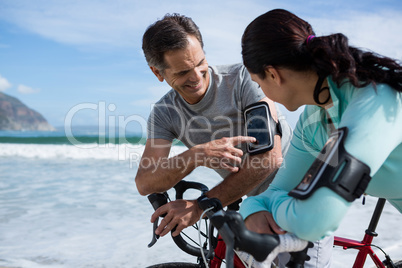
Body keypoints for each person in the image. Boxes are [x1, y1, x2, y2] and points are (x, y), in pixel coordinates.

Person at [135, 13, 332, 267]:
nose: (196, 76)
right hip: (255, 203)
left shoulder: (242, 79)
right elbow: (145, 181)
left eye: (200, 63)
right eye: (183, 72)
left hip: (303, 197)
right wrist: (196, 155)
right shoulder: (164, 113)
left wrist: (200, 206)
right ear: (157, 73)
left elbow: (269, 158)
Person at [238, 8, 402, 264]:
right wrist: (252, 209)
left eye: (259, 84)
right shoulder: (313, 120)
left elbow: (313, 220)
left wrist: (277, 205)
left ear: (273, 74)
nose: (263, 92)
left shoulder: (374, 96)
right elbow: (276, 191)